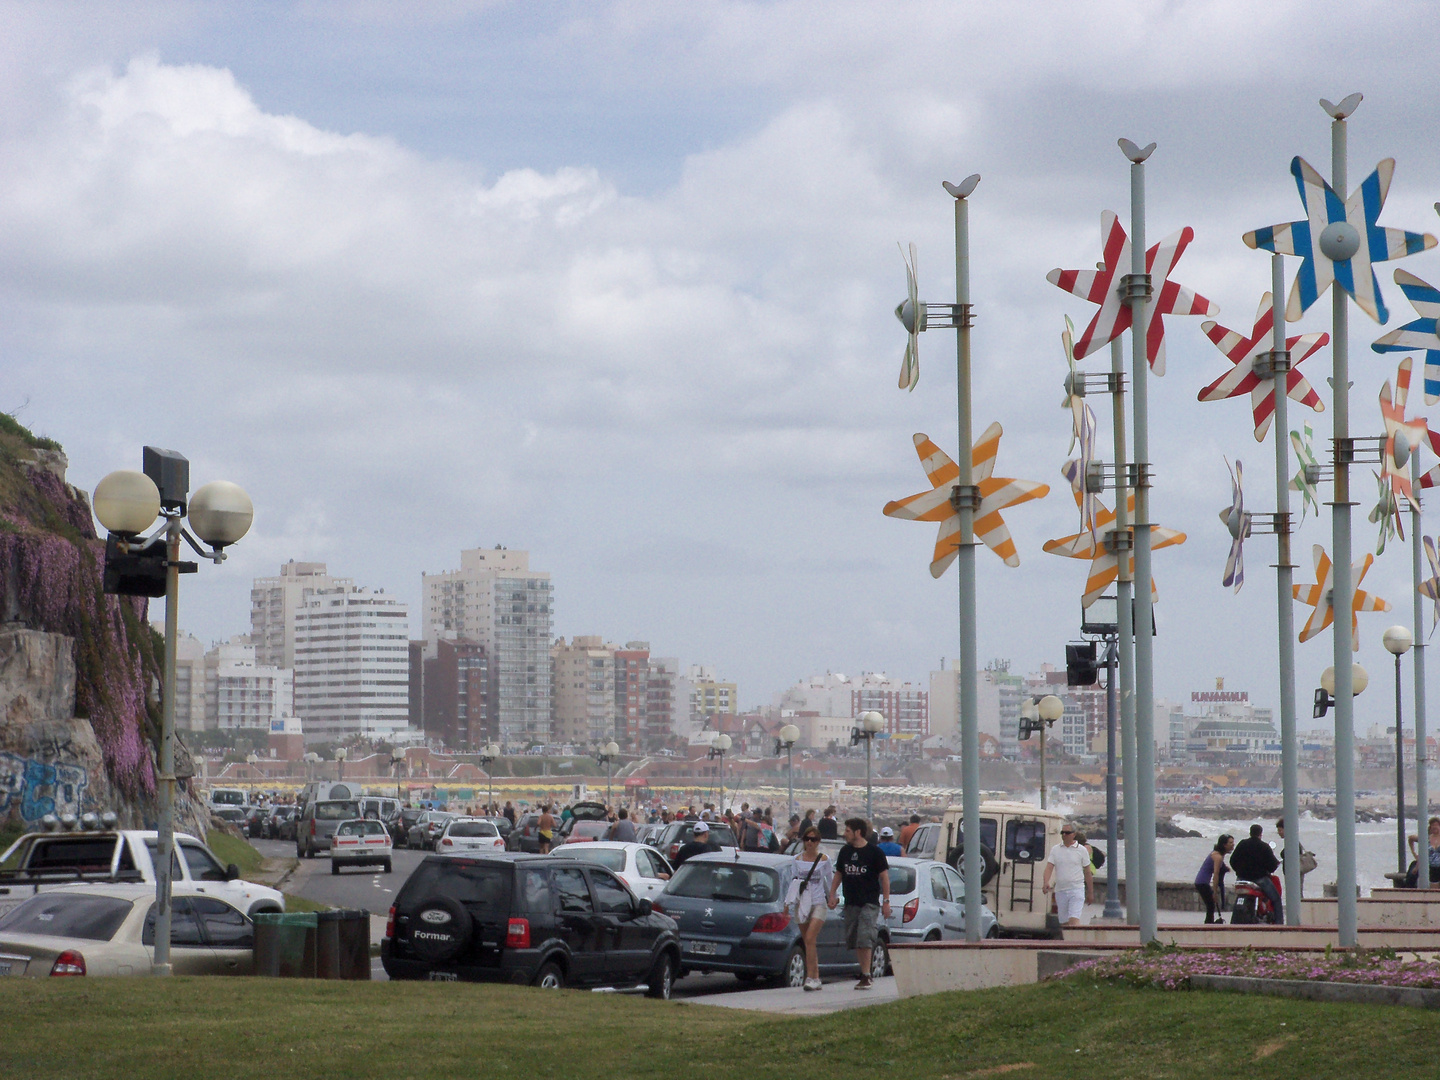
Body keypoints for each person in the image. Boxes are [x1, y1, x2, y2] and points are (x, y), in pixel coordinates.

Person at [825, 818, 891, 990]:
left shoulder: (875, 853)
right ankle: (864, 972)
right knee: (855, 939)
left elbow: (884, 878)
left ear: (858, 832)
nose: (844, 834)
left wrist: (886, 902)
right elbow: (839, 874)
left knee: (865, 937)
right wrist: (832, 894)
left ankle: (866, 975)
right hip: (851, 902)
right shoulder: (845, 852)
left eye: (847, 831)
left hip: (869, 902)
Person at [785, 827, 834, 991]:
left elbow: (829, 881)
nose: (809, 843)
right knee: (808, 941)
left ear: (818, 842)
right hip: (802, 903)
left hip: (819, 902)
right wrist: (787, 904)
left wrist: (832, 897)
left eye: (813, 839)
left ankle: (811, 977)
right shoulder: (796, 859)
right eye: (807, 839)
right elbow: (793, 883)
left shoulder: (824, 860)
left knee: (811, 937)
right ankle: (816, 976)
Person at [1042, 822, 1093, 927]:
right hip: (1061, 890)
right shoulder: (1055, 849)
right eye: (1062, 832)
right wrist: (1046, 882)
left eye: (1067, 833)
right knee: (1064, 923)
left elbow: (1087, 872)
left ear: (1074, 834)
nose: (1064, 835)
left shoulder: (1082, 850)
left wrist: (1090, 892)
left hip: (1076, 889)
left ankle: (1076, 942)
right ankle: (1067, 942)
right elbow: (1049, 867)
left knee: (1074, 920)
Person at [1230, 824, 1282, 922]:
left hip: (1242, 878)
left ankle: (1234, 922)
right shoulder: (1264, 847)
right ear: (1260, 834)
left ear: (1250, 832)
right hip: (1259, 879)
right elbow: (1272, 866)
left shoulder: (1242, 844)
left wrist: (1239, 871)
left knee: (1238, 897)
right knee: (1276, 899)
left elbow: (1232, 861)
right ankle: (1279, 923)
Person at [1194, 834, 1233, 924]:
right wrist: (1215, 892)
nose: (1233, 845)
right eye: (1230, 843)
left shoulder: (1218, 854)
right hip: (1202, 882)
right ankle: (1208, 925)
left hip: (1202, 882)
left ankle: (1209, 924)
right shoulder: (1217, 856)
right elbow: (1216, 875)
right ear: (1224, 845)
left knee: (1210, 906)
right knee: (1211, 905)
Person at [1404, 817, 1440, 888]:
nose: (1434, 827)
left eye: (1436, 825)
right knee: (1412, 876)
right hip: (1429, 866)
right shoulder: (1425, 838)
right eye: (1432, 825)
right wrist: (1414, 853)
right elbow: (1411, 838)